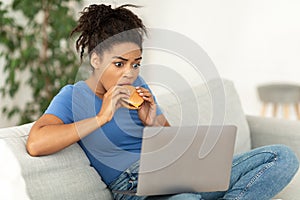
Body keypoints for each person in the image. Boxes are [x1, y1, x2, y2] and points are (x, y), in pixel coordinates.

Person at [26, 4, 299, 200]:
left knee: (283, 157)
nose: (129, 74)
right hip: (131, 186)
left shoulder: (140, 87)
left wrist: (154, 121)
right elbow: (36, 142)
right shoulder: (73, 96)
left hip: (171, 171)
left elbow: (172, 146)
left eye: (136, 64)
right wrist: (101, 117)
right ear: (96, 59)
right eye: (119, 64)